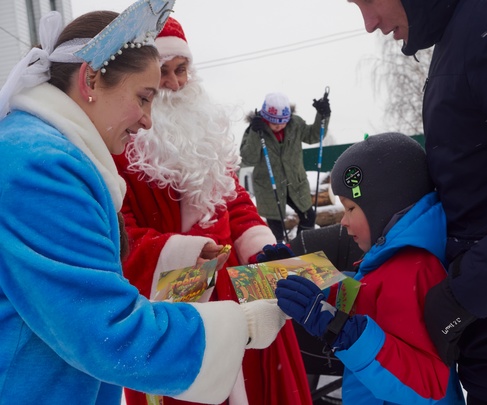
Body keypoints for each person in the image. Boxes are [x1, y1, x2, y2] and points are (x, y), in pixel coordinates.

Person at [0, 4, 288, 404]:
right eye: (144, 96)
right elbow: (106, 329)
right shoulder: (42, 166)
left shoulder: (49, 151)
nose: (148, 119)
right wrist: (245, 325)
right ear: (91, 79)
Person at [347, 0, 487, 403]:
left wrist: (464, 294)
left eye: (367, 0)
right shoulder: (466, 33)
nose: (368, 23)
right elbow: (476, 193)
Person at [113, 16, 312, 405]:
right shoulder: (121, 147)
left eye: (181, 69)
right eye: (163, 72)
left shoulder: (205, 135)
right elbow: (121, 236)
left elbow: (234, 201)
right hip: (172, 296)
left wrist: (261, 248)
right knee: (194, 387)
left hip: (236, 290)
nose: (174, 83)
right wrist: (185, 253)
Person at [275, 133, 466, 404]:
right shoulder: (393, 260)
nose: (343, 221)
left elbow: (428, 386)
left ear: (382, 207)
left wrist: (342, 331)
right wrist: (301, 271)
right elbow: (367, 297)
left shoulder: (416, 270)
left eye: (351, 208)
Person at [240, 92, 331, 242]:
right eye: (274, 122)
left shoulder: (295, 124)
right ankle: (279, 251)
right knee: (276, 230)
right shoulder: (256, 129)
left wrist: (323, 115)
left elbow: (313, 136)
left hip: (295, 182)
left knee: (309, 217)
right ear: (266, 118)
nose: (279, 126)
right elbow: (249, 158)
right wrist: (255, 134)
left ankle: (302, 246)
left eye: (283, 122)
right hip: (269, 187)